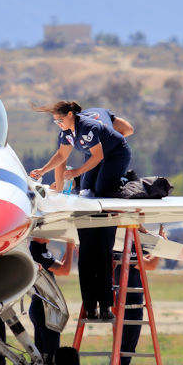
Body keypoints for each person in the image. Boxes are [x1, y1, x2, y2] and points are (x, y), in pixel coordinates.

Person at [29, 101, 132, 321]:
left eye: (60, 119)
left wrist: (76, 171)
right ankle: (92, 306)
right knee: (86, 191)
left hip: (114, 154)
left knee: (102, 190)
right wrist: (43, 171)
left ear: (70, 114)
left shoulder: (87, 127)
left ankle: (121, 181)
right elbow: (61, 156)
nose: (58, 124)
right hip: (96, 158)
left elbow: (98, 157)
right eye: (54, 121)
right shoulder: (67, 132)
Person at [111, 226, 163, 365]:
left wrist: (151, 237)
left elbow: (145, 260)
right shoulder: (124, 244)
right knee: (124, 349)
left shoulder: (122, 241)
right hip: (128, 302)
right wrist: (160, 246)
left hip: (126, 301)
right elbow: (150, 264)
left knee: (124, 349)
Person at [26, 238, 75, 365]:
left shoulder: (42, 250)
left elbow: (59, 266)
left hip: (42, 307)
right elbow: (66, 270)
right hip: (43, 308)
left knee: (40, 355)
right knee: (49, 356)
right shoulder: (36, 252)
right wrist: (70, 247)